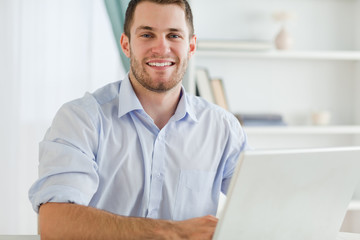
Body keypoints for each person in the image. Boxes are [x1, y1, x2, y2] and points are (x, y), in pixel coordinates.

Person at [28, 0, 247, 239]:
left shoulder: (223, 128)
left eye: (173, 35)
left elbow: (263, 201)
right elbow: (55, 224)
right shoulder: (81, 120)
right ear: (126, 44)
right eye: (146, 34)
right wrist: (173, 232)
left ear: (191, 46)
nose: (161, 48)